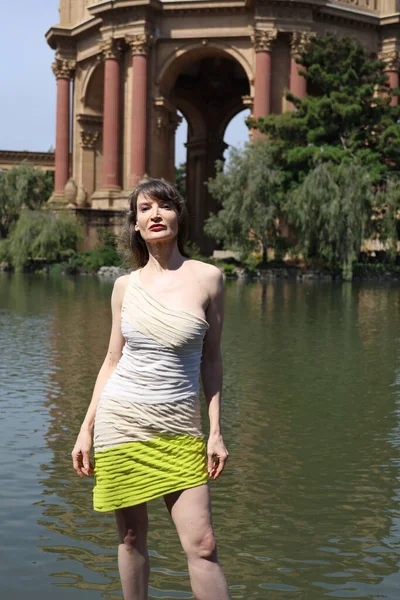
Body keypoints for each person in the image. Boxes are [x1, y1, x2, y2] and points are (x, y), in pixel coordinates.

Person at [71, 178, 230, 600]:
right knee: (129, 538)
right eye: (145, 209)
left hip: (180, 426)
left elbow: (211, 362)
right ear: (136, 226)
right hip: (121, 422)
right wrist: (85, 429)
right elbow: (111, 360)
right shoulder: (125, 286)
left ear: (179, 216)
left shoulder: (209, 279)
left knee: (203, 546)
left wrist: (215, 432)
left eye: (164, 206)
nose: (155, 214)